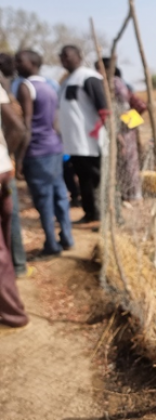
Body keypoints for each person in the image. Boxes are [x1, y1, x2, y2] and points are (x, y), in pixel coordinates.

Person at [15, 50, 74, 260]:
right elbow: (55, 122)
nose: (16, 65)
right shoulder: (49, 87)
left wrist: (19, 159)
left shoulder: (26, 87)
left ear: (32, 63)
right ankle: (67, 237)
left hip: (37, 152)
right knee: (60, 195)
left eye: (20, 61)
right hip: (54, 148)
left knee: (44, 200)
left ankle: (52, 243)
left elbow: (27, 125)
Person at [57, 45, 108, 224]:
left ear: (79, 56)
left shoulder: (88, 77)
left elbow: (103, 107)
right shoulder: (67, 81)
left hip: (90, 140)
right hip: (74, 142)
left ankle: (105, 214)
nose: (64, 59)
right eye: (61, 56)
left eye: (67, 55)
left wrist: (99, 128)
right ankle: (90, 213)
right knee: (84, 178)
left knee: (97, 178)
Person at [0, 82, 29, 332]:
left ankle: (13, 313)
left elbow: (19, 127)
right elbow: (17, 127)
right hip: (3, 171)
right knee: (6, 234)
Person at [0, 53, 30, 277]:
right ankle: (16, 267)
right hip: (4, 167)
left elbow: (19, 128)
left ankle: (15, 267)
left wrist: (8, 154)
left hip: (4, 166)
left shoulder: (11, 88)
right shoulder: (8, 88)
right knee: (11, 216)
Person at [98, 58, 142, 203]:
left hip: (121, 126)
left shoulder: (112, 84)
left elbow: (122, 107)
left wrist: (116, 126)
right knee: (128, 160)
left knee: (125, 160)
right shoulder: (121, 82)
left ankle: (129, 193)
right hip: (127, 125)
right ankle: (130, 192)